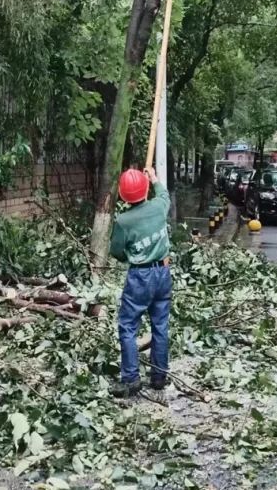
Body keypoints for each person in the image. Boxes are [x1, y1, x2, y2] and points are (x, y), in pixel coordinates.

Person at [109, 166, 171, 399]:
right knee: (160, 325)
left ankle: (131, 379)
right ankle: (159, 377)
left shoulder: (123, 220)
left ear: (123, 195)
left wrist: (130, 258)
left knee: (127, 325)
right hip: (163, 273)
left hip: (140, 277)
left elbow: (116, 251)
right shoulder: (158, 207)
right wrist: (154, 177)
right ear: (145, 189)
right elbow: (164, 195)